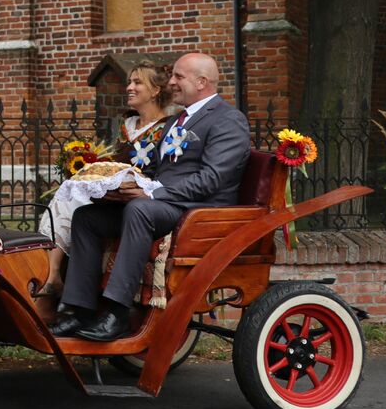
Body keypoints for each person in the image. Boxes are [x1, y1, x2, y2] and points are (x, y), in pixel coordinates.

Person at [52, 52, 251, 341]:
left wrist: (152, 192)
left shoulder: (228, 120)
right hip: (163, 204)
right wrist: (121, 184)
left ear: (202, 82)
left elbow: (212, 179)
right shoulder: (176, 121)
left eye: (179, 77)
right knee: (87, 216)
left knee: (139, 209)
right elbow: (157, 169)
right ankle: (80, 310)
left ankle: (117, 313)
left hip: (197, 210)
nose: (171, 83)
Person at [37, 62, 177, 285]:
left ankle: (51, 277)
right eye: (129, 82)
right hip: (112, 192)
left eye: (137, 82)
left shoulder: (167, 128)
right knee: (66, 199)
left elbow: (162, 171)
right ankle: (51, 274)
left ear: (155, 90)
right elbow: (114, 162)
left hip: (136, 197)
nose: (129, 87)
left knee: (70, 203)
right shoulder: (127, 123)